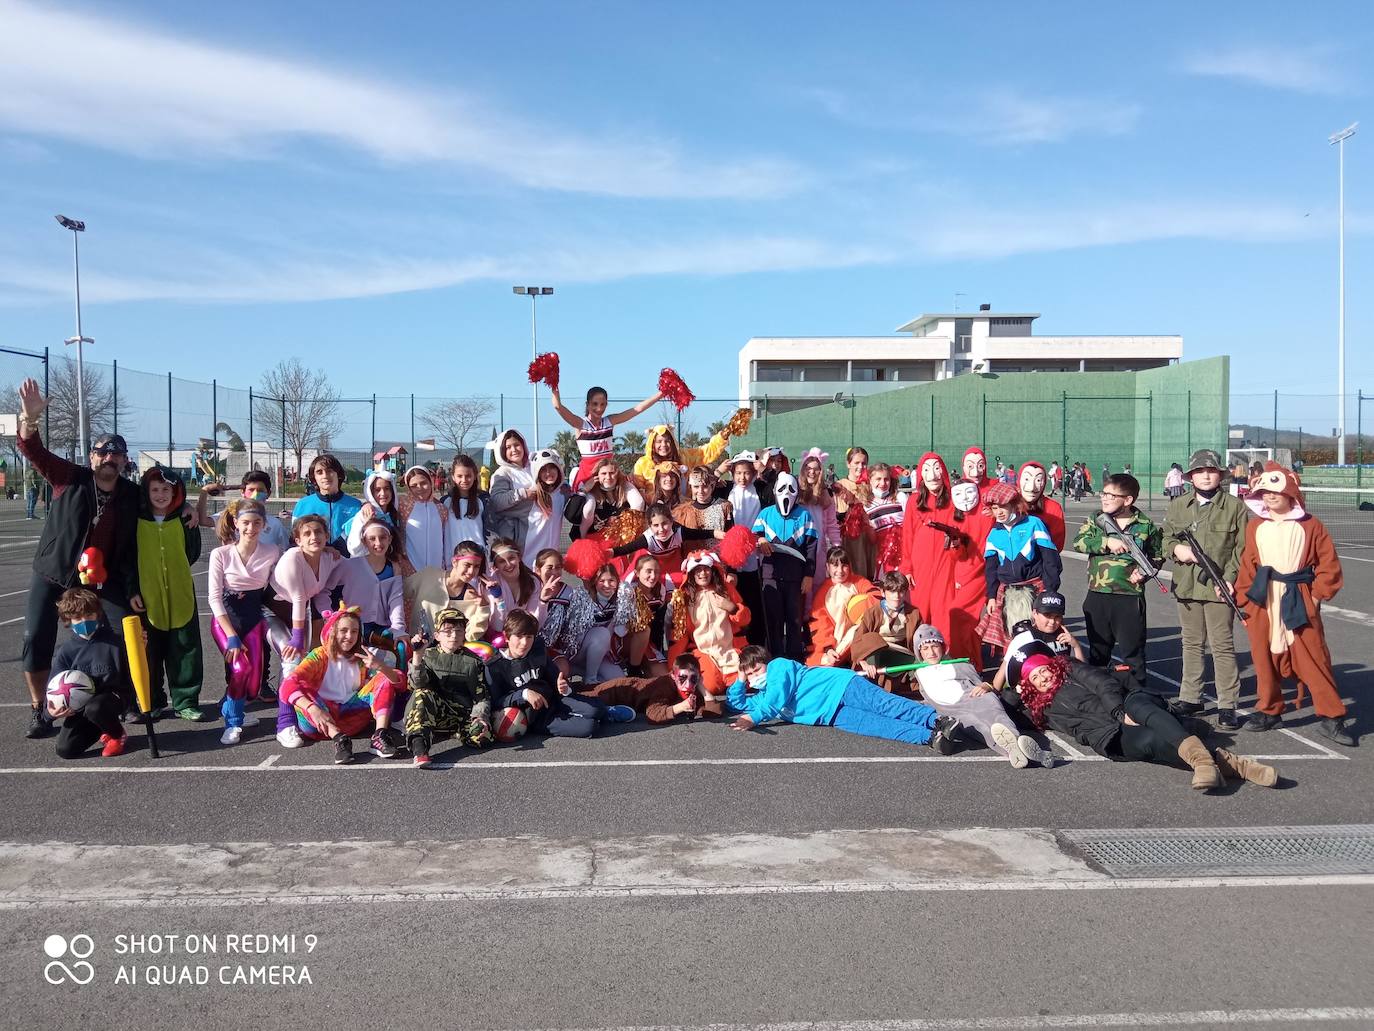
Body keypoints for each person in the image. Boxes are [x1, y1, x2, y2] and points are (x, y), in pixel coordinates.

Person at [15, 378, 142, 740]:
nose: (109, 459)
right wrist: (30, 419)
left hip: (101, 578)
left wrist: (190, 513)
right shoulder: (69, 478)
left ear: (124, 461)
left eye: (116, 455)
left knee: (127, 630)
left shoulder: (131, 495)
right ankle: (41, 708)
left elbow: (165, 502)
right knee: (34, 635)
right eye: (102, 453)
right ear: (92, 457)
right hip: (55, 572)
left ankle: (125, 698)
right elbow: (33, 449)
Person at [1012, 654, 1278, 790]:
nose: (1042, 679)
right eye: (1034, 679)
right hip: (1108, 736)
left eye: (1043, 671)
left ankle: (1202, 762)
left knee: (1139, 706)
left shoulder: (1070, 669)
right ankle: (1234, 766)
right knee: (1152, 741)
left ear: (1052, 667)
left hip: (1125, 704)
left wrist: (1118, 712)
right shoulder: (1041, 710)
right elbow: (1007, 712)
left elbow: (1104, 684)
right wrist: (1002, 687)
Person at [1235, 463, 1355, 747]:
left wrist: (1315, 596)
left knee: (1313, 657)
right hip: (1263, 599)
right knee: (1264, 658)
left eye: (1274, 491)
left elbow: (1328, 565)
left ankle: (1332, 716)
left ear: (1290, 492)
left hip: (1298, 596)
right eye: (1263, 492)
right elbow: (1248, 564)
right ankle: (1270, 709)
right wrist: (1245, 601)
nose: (1269, 497)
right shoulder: (1255, 526)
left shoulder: (1311, 525)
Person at [727, 644, 961, 753]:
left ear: (766, 663)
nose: (754, 676)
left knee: (884, 705)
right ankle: (930, 738)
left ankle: (938, 720)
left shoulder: (779, 667)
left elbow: (775, 699)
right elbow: (737, 703)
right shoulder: (762, 696)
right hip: (831, 715)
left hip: (841, 685)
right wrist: (739, 679)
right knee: (879, 727)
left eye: (756, 669)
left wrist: (754, 718)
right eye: (749, 675)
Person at [1162, 449, 1249, 729]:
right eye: (1199, 471)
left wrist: (1230, 579)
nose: (1206, 475)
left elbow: (1242, 549)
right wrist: (1177, 549)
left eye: (1211, 470)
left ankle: (1227, 704)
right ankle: (1191, 697)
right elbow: (1165, 538)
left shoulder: (1235, 507)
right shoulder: (1179, 506)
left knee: (1222, 645)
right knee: (1191, 643)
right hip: (1187, 584)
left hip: (1219, 586)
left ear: (1220, 475)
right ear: (1190, 477)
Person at [907, 624, 1052, 768]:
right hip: (952, 710)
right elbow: (924, 699)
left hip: (974, 697)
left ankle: (1017, 740)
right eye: (925, 649)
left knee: (996, 713)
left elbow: (981, 683)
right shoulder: (919, 674)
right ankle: (1015, 751)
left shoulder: (959, 665)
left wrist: (985, 686)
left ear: (942, 647)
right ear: (919, 652)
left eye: (934, 646)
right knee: (979, 727)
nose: (931, 652)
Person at [280, 605, 404, 764]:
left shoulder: (363, 656)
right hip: (319, 722)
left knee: (385, 678)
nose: (349, 636)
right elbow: (287, 685)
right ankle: (340, 740)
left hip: (353, 719)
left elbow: (399, 684)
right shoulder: (319, 655)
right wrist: (313, 709)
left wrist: (381, 667)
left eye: (354, 631)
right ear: (333, 631)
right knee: (300, 688)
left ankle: (379, 736)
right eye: (343, 630)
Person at [1071, 473, 1162, 689]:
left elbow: (1157, 556)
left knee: (1133, 654)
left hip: (1129, 598)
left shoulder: (1145, 525)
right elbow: (1079, 542)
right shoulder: (1096, 519)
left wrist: (1144, 572)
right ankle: (1100, 695)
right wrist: (1106, 542)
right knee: (1098, 653)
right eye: (1104, 493)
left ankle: (1138, 697)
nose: (1105, 498)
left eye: (1112, 495)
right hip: (1098, 595)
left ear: (1128, 500)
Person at [486, 609, 633, 739]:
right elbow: (497, 702)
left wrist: (564, 687)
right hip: (535, 717)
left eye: (529, 637)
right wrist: (523, 694)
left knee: (596, 709)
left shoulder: (537, 648)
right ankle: (592, 718)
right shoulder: (494, 666)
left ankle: (606, 713)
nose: (524, 643)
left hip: (554, 699)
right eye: (519, 636)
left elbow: (554, 676)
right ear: (506, 636)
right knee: (589, 727)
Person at [134, 467, 205, 722]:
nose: (161, 494)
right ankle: (152, 700)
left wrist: (188, 508)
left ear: (176, 492)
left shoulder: (184, 519)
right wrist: (133, 589)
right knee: (150, 650)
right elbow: (127, 558)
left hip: (180, 592)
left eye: (166, 490)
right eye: (155, 489)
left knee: (185, 648)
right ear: (146, 491)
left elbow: (193, 552)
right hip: (147, 595)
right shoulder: (136, 520)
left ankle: (185, 700)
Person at [269, 513, 346, 747]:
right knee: (291, 660)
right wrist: (297, 638)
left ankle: (312, 712)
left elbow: (321, 592)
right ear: (297, 539)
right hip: (272, 610)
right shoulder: (292, 557)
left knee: (309, 661)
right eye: (307, 533)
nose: (314, 537)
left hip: (300, 612)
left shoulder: (330, 558)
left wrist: (329, 616)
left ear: (326, 536)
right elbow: (299, 596)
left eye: (319, 532)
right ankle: (285, 725)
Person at [209, 499, 282, 743]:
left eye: (257, 522)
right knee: (240, 669)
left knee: (253, 686)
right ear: (236, 523)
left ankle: (234, 708)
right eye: (246, 522)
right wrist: (231, 636)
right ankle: (232, 722)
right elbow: (214, 598)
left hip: (254, 620)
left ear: (264, 525)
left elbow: (280, 583)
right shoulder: (220, 554)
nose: (251, 527)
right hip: (226, 621)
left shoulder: (272, 552)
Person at [977, 481, 1062, 658]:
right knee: (1012, 639)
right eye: (994, 508)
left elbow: (1050, 559)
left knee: (1040, 637)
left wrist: (1050, 588)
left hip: (1036, 589)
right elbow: (991, 569)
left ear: (1015, 505)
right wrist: (991, 596)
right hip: (1007, 593)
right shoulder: (994, 534)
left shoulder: (1034, 524)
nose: (999, 512)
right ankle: (1014, 676)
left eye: (1003, 506)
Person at [404, 607, 494, 767]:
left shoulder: (473, 661)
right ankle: (420, 749)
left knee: (482, 737)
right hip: (434, 712)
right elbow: (415, 685)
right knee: (421, 694)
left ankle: (457, 732)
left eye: (459, 631)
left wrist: (480, 718)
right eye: (448, 632)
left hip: (461, 715)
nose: (454, 636)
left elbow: (481, 696)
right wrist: (417, 655)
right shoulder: (427, 655)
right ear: (437, 635)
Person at [46, 588, 130, 759]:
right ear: (68, 619)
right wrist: (51, 712)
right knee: (66, 750)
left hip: (113, 697)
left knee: (96, 707)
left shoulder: (115, 640)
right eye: (78, 618)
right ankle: (104, 728)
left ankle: (116, 734)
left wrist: (139, 645)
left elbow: (136, 666)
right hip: (82, 705)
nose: (84, 621)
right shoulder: (66, 651)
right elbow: (54, 687)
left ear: (98, 614)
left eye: (89, 615)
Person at [667, 550, 749, 705]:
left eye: (706, 569)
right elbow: (679, 634)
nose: (702, 573)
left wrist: (732, 608)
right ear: (691, 573)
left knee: (744, 683)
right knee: (711, 686)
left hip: (729, 649)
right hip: (703, 651)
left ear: (712, 570)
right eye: (697, 570)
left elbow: (745, 620)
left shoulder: (726, 589)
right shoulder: (685, 597)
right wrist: (674, 666)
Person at [753, 472, 818, 661]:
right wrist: (760, 539)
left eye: (791, 489)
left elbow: (812, 547)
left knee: (794, 618)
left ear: (797, 492)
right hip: (770, 576)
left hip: (795, 577)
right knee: (773, 618)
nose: (786, 493)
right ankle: (776, 656)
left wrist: (809, 575)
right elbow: (753, 538)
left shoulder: (804, 516)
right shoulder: (765, 514)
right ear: (774, 490)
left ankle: (795, 656)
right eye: (781, 488)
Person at [549, 382, 662, 490]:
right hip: (589, 479)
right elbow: (558, 406)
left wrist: (662, 393)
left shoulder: (609, 421)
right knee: (588, 508)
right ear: (587, 404)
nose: (599, 408)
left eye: (603, 404)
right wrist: (554, 385)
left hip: (611, 477)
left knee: (637, 501)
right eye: (595, 404)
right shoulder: (580, 424)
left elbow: (637, 409)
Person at [717, 451, 772, 644]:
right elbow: (703, 489)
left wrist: (764, 469)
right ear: (732, 473)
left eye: (747, 472)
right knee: (735, 600)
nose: (743, 477)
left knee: (755, 602)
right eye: (738, 472)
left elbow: (776, 489)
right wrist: (717, 472)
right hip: (731, 555)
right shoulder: (726, 489)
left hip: (755, 553)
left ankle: (758, 642)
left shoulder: (761, 488)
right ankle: (738, 642)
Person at [991, 591, 1083, 692]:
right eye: (1047, 615)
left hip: (1063, 689)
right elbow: (1004, 669)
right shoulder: (1024, 638)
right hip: (1034, 693)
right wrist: (994, 692)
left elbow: (1082, 670)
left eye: (1057, 617)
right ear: (1034, 613)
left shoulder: (1065, 636)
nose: (1052, 622)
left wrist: (1076, 646)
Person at [585, 654, 709, 723]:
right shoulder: (664, 687)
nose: (688, 685)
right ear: (673, 675)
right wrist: (680, 707)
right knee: (584, 698)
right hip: (619, 691)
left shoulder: (693, 687)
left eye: (693, 679)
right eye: (682, 678)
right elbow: (653, 715)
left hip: (626, 699)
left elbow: (713, 711)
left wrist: (702, 688)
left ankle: (609, 711)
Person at [807, 547, 877, 668]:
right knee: (825, 662)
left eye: (844, 565)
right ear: (827, 567)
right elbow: (820, 624)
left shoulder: (858, 581)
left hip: (861, 636)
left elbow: (876, 596)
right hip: (837, 644)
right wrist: (828, 649)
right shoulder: (823, 593)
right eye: (835, 565)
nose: (840, 570)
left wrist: (862, 612)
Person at [852, 571, 921, 692]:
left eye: (901, 591)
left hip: (901, 653)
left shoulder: (913, 613)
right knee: (873, 639)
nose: (897, 596)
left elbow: (920, 637)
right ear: (883, 592)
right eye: (892, 591)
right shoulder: (872, 613)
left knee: (920, 667)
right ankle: (870, 685)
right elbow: (859, 639)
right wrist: (864, 664)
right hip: (875, 654)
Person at [290, 454, 361, 555]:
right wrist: (324, 549)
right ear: (314, 478)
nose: (325, 476)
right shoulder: (302, 505)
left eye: (330, 471)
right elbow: (295, 540)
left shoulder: (355, 506)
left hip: (347, 564)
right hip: (312, 565)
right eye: (319, 472)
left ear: (339, 474)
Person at [632, 423, 733, 486]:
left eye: (667, 441)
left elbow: (705, 452)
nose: (663, 445)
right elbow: (639, 488)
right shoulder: (643, 463)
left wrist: (723, 436)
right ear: (652, 444)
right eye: (659, 441)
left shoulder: (684, 456)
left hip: (683, 508)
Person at [487, 429, 535, 548]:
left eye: (517, 445)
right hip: (514, 538)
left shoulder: (533, 468)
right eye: (508, 447)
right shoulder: (502, 473)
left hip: (536, 531)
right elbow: (496, 501)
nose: (513, 450)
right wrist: (522, 493)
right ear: (502, 451)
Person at [834, 447, 875, 579]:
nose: (860, 466)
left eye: (864, 463)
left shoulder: (871, 486)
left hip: (868, 542)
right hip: (849, 542)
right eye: (856, 463)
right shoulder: (840, 486)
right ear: (848, 464)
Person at [344, 470, 404, 557]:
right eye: (377, 490)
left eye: (386, 488)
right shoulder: (365, 514)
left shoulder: (395, 513)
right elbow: (354, 549)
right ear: (370, 493)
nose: (382, 493)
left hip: (389, 566)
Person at [443, 455, 488, 558]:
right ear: (453, 477)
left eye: (468, 476)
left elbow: (490, 531)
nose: (464, 480)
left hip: (478, 559)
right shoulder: (445, 502)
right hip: (453, 560)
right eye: (460, 476)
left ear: (475, 476)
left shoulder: (484, 500)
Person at [1018, 461, 1066, 551]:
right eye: (1027, 479)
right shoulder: (1010, 506)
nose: (1032, 487)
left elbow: (1057, 543)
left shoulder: (1053, 508)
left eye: (1038, 480)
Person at [240, 470, 291, 553]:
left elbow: (285, 552)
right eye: (251, 490)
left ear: (268, 493)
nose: (255, 494)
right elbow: (211, 521)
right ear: (243, 492)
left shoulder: (276, 525)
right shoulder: (230, 517)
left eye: (260, 490)